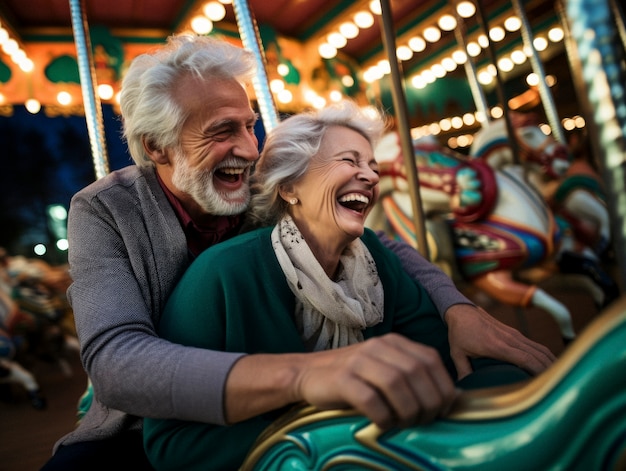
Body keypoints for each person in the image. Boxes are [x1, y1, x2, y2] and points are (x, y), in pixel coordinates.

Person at [42, 34, 554, 470]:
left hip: (276, 406)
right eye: (223, 131)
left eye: (249, 124)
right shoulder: (105, 210)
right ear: (158, 147)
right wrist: (305, 375)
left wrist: (455, 306)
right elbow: (116, 360)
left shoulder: (255, 184)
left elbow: (381, 245)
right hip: (149, 423)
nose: (248, 147)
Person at [143, 101, 533, 470]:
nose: (371, 175)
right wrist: (337, 427)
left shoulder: (374, 261)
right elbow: (171, 444)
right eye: (349, 161)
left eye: (373, 165)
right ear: (290, 187)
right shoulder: (225, 275)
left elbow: (443, 362)